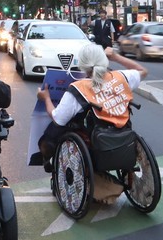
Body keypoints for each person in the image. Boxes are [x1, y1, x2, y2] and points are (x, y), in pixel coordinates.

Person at [36, 44, 148, 204]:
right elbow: (143, 71)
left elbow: (57, 118)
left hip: (95, 142)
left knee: (53, 130)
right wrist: (116, 56)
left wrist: (46, 98)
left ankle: (49, 159)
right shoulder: (121, 77)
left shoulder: (78, 89)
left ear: (82, 65)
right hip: (123, 135)